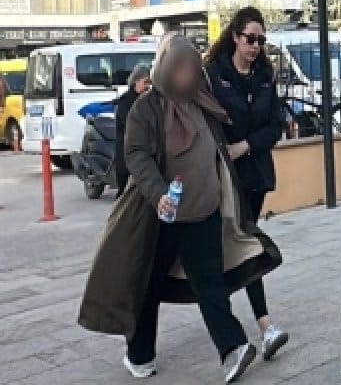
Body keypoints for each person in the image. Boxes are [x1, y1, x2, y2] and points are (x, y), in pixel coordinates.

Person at [78, 32, 281, 383]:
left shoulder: (202, 101)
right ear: (166, 70)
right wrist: (160, 194)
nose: (187, 76)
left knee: (209, 283)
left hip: (204, 210)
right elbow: (137, 155)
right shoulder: (146, 108)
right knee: (146, 284)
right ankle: (140, 354)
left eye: (192, 68)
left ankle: (233, 348)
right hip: (159, 215)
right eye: (180, 69)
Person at [204, 7, 290, 360]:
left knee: (246, 242)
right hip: (224, 177)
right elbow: (207, 122)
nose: (255, 46)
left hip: (256, 176)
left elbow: (275, 126)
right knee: (237, 245)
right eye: (250, 38)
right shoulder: (214, 75)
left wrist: (247, 145)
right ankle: (254, 327)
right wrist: (226, 151)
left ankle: (257, 329)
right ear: (235, 36)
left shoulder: (265, 76)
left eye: (260, 40)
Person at [113, 63, 151, 196]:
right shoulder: (126, 101)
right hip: (127, 155)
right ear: (136, 81)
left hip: (141, 154)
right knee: (124, 195)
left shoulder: (146, 100)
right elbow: (132, 125)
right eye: (145, 82)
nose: (148, 86)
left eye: (150, 82)